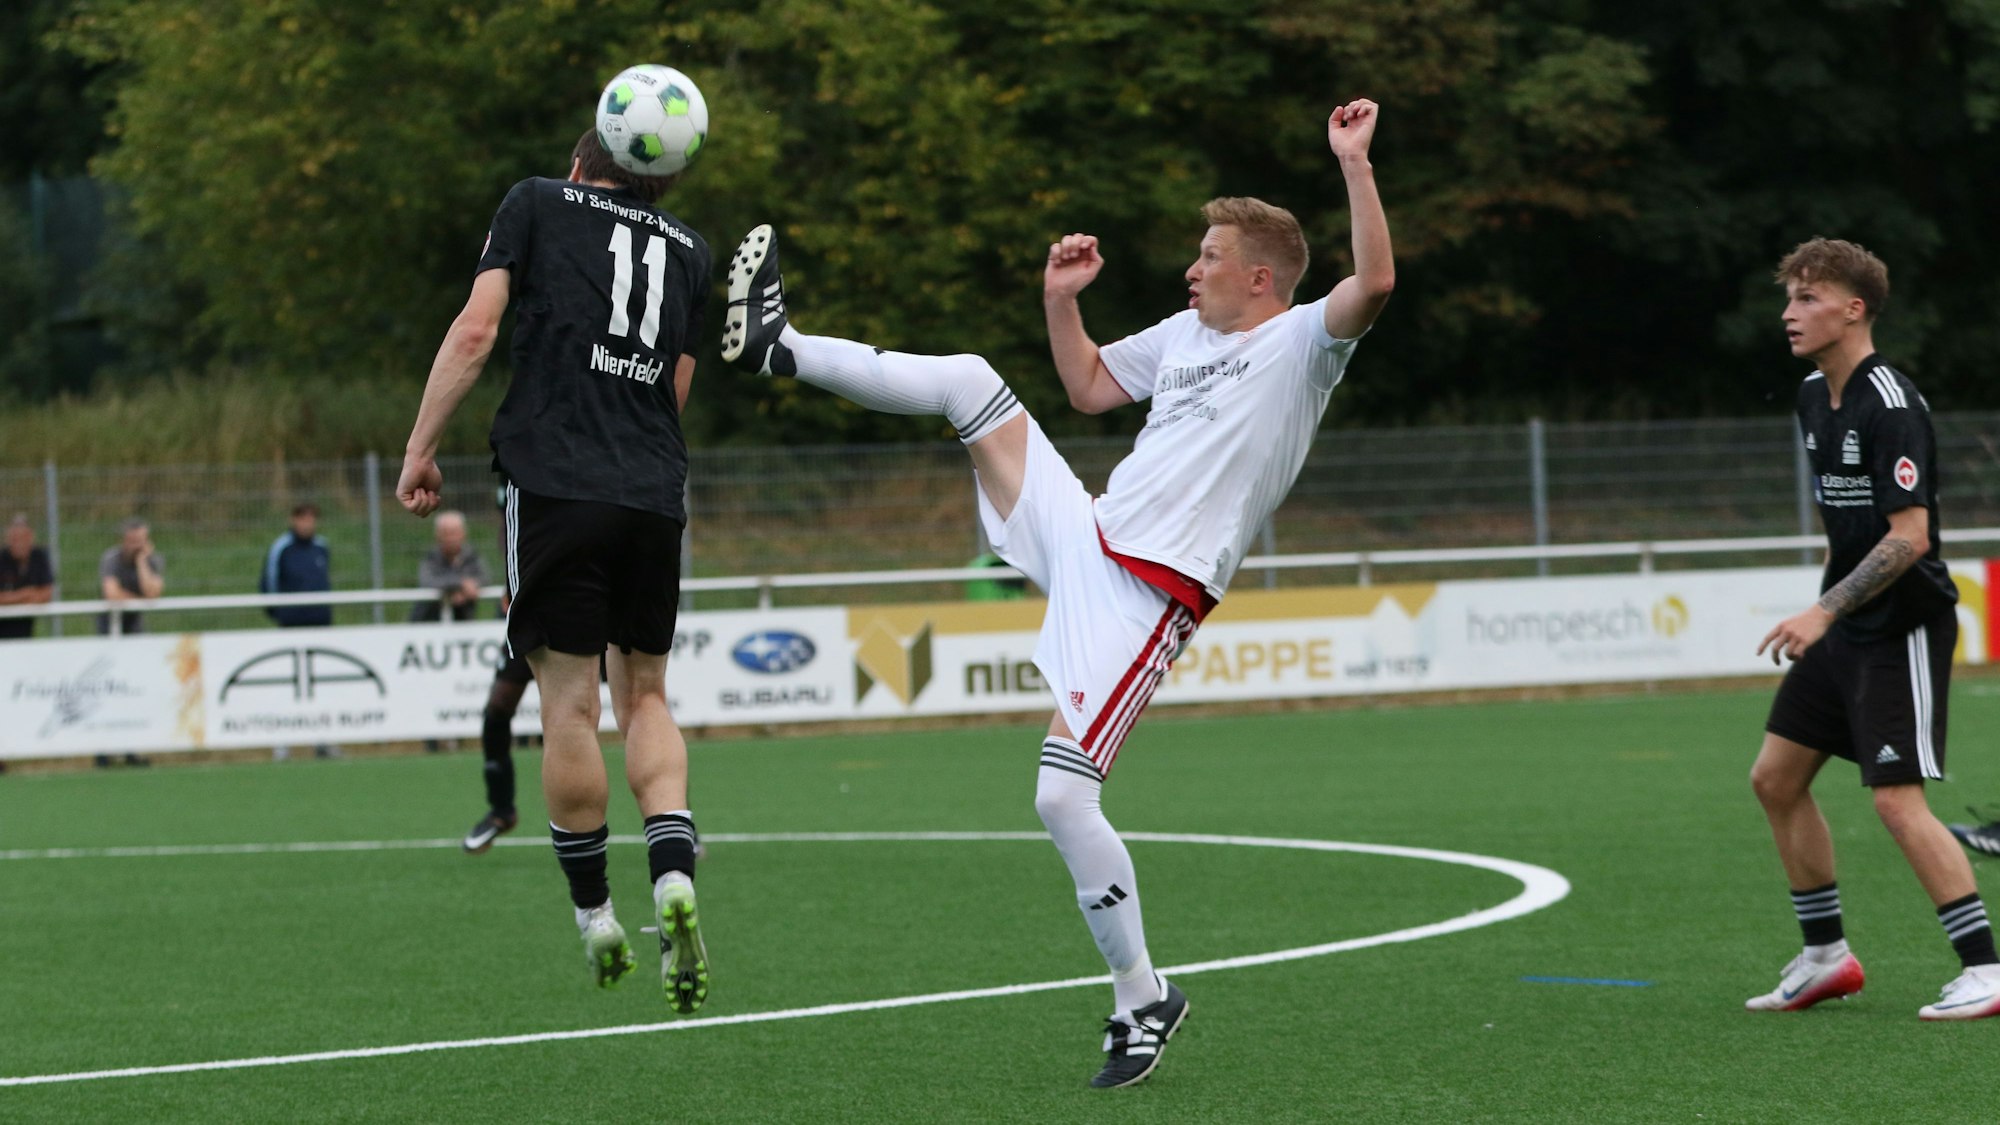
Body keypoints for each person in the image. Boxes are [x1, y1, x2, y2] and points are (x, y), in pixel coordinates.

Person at [719, 99, 1395, 1086]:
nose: (1189, 268)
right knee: (965, 380)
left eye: (1208, 257)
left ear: (1259, 278)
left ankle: (1141, 995)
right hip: (1087, 532)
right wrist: (1060, 299)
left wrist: (1353, 164)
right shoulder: (1183, 336)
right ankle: (777, 345)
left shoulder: (1299, 346)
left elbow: (1373, 279)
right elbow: (1082, 387)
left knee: (1058, 798)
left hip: (1147, 599)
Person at [396, 127, 710, 1012]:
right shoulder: (691, 250)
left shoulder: (535, 199)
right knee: (645, 694)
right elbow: (671, 393)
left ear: (583, 165)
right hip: (653, 487)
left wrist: (420, 448)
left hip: (555, 481)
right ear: (666, 174)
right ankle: (674, 873)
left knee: (567, 703)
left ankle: (597, 916)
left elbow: (475, 331)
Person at [1748, 237, 1998, 1021]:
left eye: (1808, 299)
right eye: (1789, 298)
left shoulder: (1890, 400)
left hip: (1903, 628)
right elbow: (1844, 520)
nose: (1789, 314)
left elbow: (1909, 536)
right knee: (1775, 779)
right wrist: (1827, 607)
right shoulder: (1810, 395)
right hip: (1847, 626)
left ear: (1853, 309)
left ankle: (1987, 969)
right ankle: (1825, 957)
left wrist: (1824, 608)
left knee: (1896, 800)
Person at [462, 485, 535, 854]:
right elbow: (510, 530)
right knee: (498, 706)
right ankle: (501, 812)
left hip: (586, 601)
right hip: (532, 608)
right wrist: (511, 586)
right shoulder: (514, 466)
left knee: (635, 708)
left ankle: (672, 822)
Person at [261, 502, 336, 759]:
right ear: (293, 520)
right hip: (290, 626)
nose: (307, 524)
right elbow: (268, 583)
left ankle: (323, 740)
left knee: (321, 684)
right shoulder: (281, 548)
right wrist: (280, 613)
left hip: (320, 625)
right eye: (302, 519)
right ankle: (283, 743)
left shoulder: (322, 547)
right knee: (288, 684)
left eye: (311, 519)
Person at [413, 510, 487, 622]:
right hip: (427, 624)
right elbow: (427, 581)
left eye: (454, 532)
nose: (451, 538)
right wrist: (460, 584)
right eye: (446, 533)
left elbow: (485, 577)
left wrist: (471, 588)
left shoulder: (472, 557)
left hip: (464, 623)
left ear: (464, 534)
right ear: (437, 535)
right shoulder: (431, 558)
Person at [98, 517, 164, 635]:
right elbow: (112, 595)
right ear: (122, 541)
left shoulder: (152, 560)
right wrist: (142, 602)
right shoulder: (112, 559)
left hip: (136, 622)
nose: (137, 546)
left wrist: (142, 561)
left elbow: (153, 594)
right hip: (110, 621)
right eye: (133, 541)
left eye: (141, 540)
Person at [0, 514, 55, 640]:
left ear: (31, 538)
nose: (18, 544)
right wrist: (24, 595)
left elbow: (47, 593)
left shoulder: (39, 557)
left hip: (26, 629)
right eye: (14, 539)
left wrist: (9, 599)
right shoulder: (2, 559)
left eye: (22, 539)